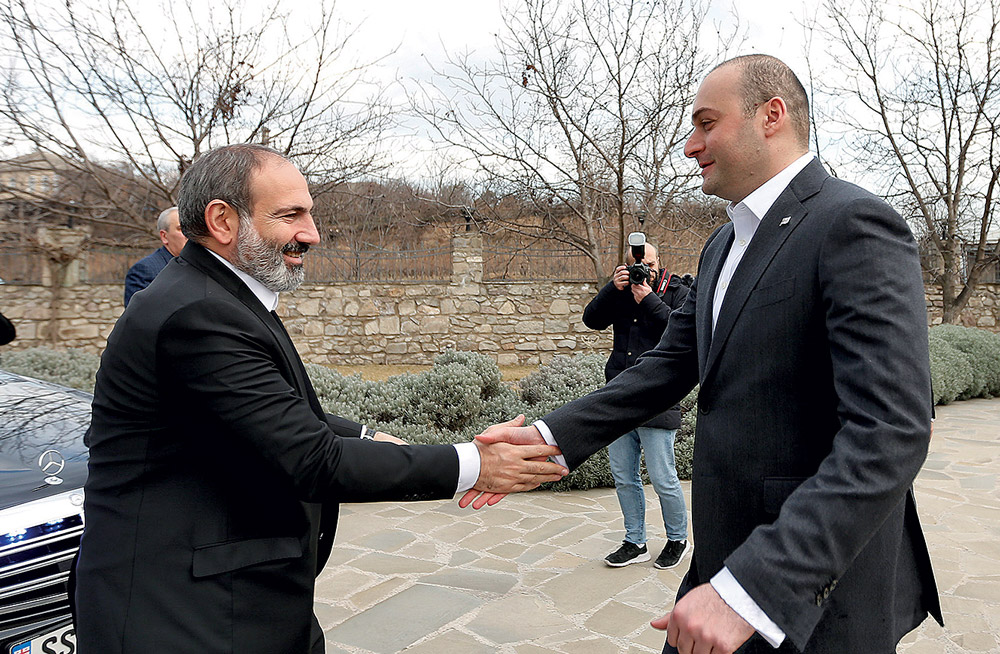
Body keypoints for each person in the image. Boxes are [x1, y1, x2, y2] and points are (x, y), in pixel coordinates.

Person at [469, 54, 942, 653]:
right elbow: (667, 366)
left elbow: (891, 432)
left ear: (771, 116)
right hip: (720, 559)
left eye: (706, 123)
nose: (690, 145)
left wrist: (755, 589)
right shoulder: (722, 243)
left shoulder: (854, 224)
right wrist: (550, 437)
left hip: (807, 591)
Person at [74, 144, 567, 654]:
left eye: (308, 213)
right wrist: (477, 465)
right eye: (290, 215)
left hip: (238, 599)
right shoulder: (197, 314)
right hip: (185, 614)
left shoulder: (214, 296)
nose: (311, 233)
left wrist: (367, 435)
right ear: (222, 220)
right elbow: (312, 460)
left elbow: (260, 410)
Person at [582, 242, 691, 569]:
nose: (644, 270)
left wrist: (650, 300)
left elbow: (684, 330)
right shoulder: (620, 292)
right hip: (620, 396)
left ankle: (678, 539)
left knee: (662, 477)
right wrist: (610, 288)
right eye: (636, 266)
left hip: (659, 396)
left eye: (649, 264)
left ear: (659, 262)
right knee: (624, 476)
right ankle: (635, 541)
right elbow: (591, 320)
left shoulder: (677, 291)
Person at [123, 206, 188, 306]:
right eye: (181, 229)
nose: (188, 234)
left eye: (191, 229)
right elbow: (139, 314)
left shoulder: (201, 265)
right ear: (164, 236)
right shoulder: (144, 271)